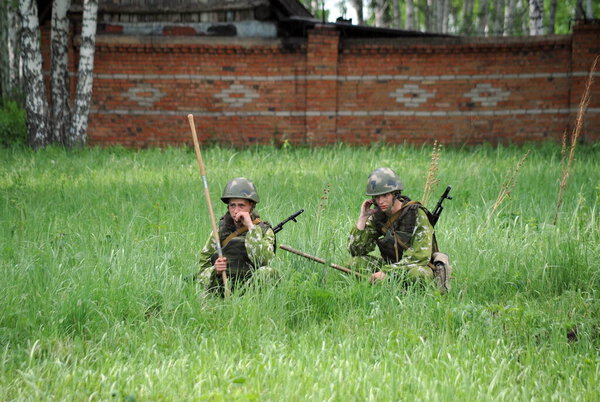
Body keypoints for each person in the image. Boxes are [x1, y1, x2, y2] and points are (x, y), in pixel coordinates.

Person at [347, 167, 451, 292]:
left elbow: (419, 257)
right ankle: (381, 288)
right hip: (391, 265)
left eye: (385, 195)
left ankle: (407, 293)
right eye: (376, 197)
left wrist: (387, 272)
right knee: (355, 263)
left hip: (415, 267)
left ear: (395, 193)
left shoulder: (416, 214)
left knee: (417, 274)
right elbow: (356, 251)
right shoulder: (378, 216)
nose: (380, 201)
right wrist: (362, 218)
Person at [197, 177, 276, 295]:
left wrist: (251, 227)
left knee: (268, 272)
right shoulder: (219, 232)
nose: (236, 210)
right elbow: (201, 274)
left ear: (251, 206)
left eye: (241, 205)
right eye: (232, 205)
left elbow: (263, 261)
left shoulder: (264, 231)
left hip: (252, 287)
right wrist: (216, 271)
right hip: (224, 286)